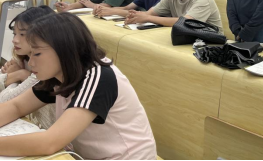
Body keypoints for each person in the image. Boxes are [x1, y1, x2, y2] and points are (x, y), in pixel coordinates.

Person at [0, 13, 157, 159]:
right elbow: (17, 106)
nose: (31, 62)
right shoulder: (57, 74)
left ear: (64, 50)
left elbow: (50, 142)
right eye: (30, 54)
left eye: (37, 54)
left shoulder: (99, 77)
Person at [0, 6, 56, 129]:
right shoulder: (23, 58)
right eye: (14, 34)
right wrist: (19, 74)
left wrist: (17, 76)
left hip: (46, 128)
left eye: (22, 34)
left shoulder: (46, 68)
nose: (14, 40)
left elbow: (5, 101)